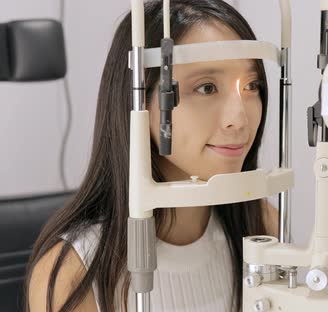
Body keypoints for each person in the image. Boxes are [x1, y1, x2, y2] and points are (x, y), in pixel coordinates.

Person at [26, 1, 278, 311]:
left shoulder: (262, 226)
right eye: (207, 87)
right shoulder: (71, 274)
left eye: (252, 85)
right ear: (139, 101)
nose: (239, 119)